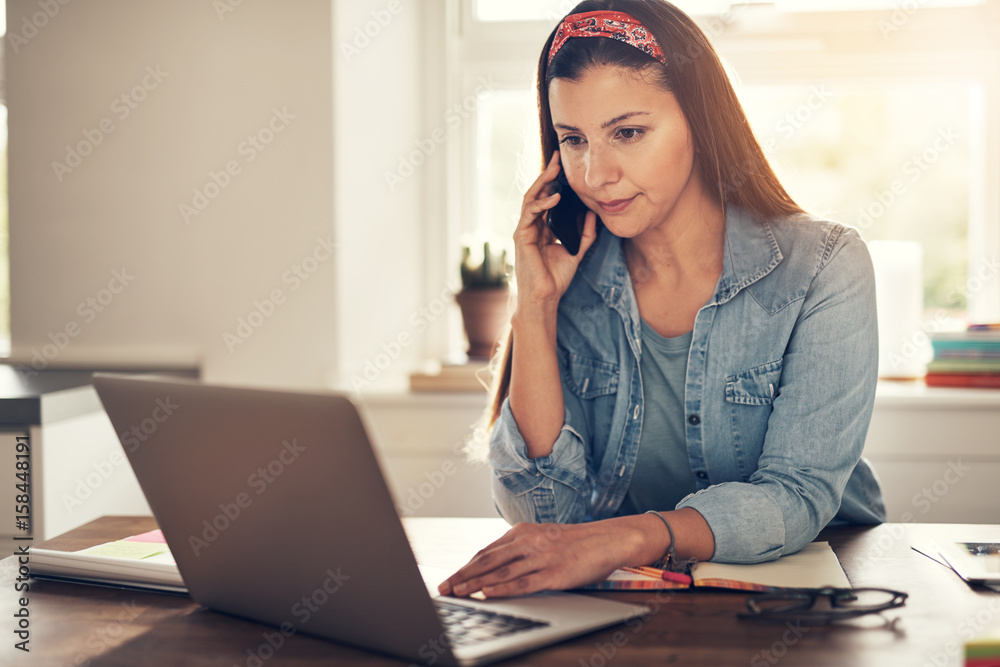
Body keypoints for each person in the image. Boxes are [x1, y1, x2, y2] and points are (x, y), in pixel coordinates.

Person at [439, 0, 886, 600]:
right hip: (646, 598)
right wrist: (536, 306)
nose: (596, 174)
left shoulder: (823, 267)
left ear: (700, 121)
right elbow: (540, 512)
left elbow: (796, 495)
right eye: (574, 140)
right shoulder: (572, 277)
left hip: (811, 593)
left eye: (628, 133)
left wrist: (629, 537)